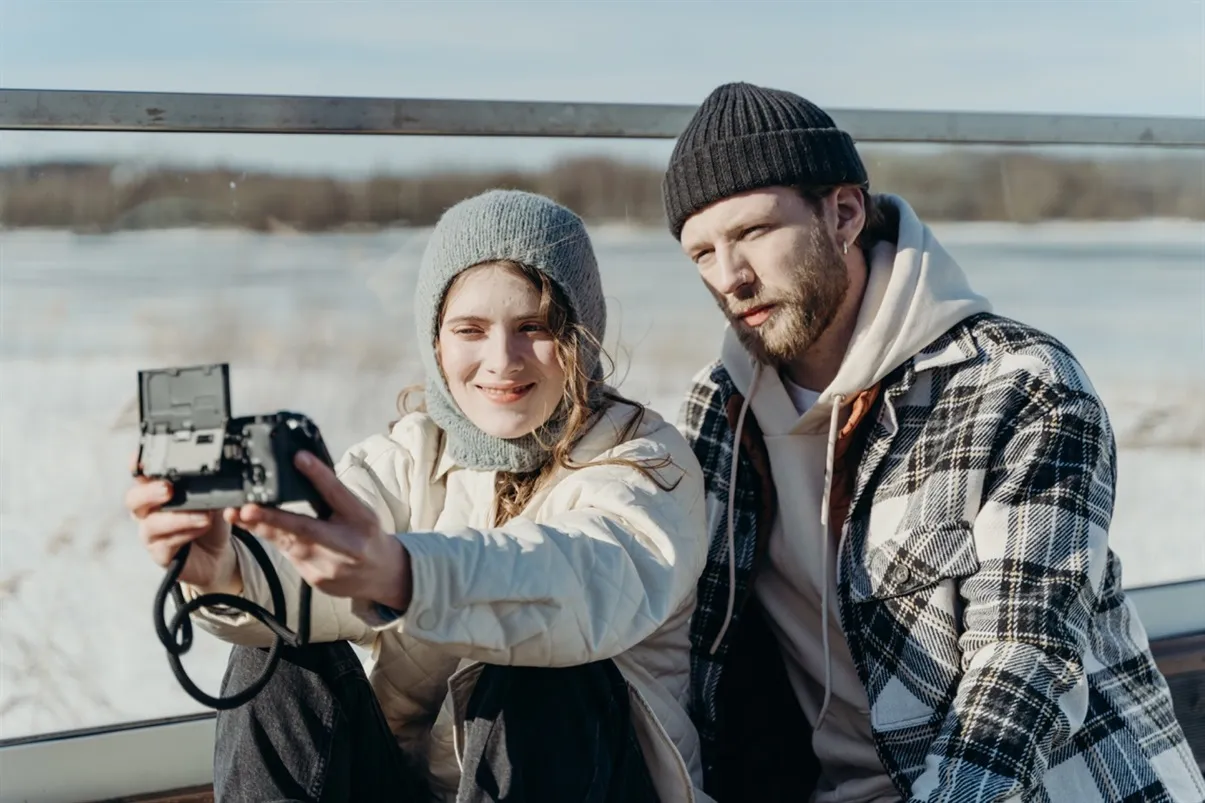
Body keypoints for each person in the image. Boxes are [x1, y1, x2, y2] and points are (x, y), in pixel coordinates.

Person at [662, 82, 1205, 803]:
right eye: (701, 250)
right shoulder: (718, 412)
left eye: (754, 232)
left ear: (843, 212)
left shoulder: (1018, 383)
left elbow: (1022, 660)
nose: (729, 276)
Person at [125, 189, 713, 803]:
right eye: (471, 330)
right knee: (275, 651)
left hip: (596, 778)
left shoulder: (645, 461)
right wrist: (224, 570)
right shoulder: (408, 456)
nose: (501, 360)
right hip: (413, 784)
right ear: (437, 343)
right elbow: (308, 577)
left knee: (539, 672)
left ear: (581, 338)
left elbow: (582, 584)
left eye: (533, 327)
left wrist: (405, 573)